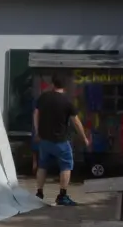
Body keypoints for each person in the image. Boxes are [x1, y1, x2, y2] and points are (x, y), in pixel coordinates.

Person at [33, 78, 91, 207]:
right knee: (66, 166)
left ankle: (39, 193)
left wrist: (37, 131)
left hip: (44, 140)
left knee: (42, 165)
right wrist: (84, 138)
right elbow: (76, 122)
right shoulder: (67, 101)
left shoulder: (44, 97)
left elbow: (36, 113)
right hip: (61, 141)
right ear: (65, 87)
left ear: (52, 84)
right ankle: (62, 196)